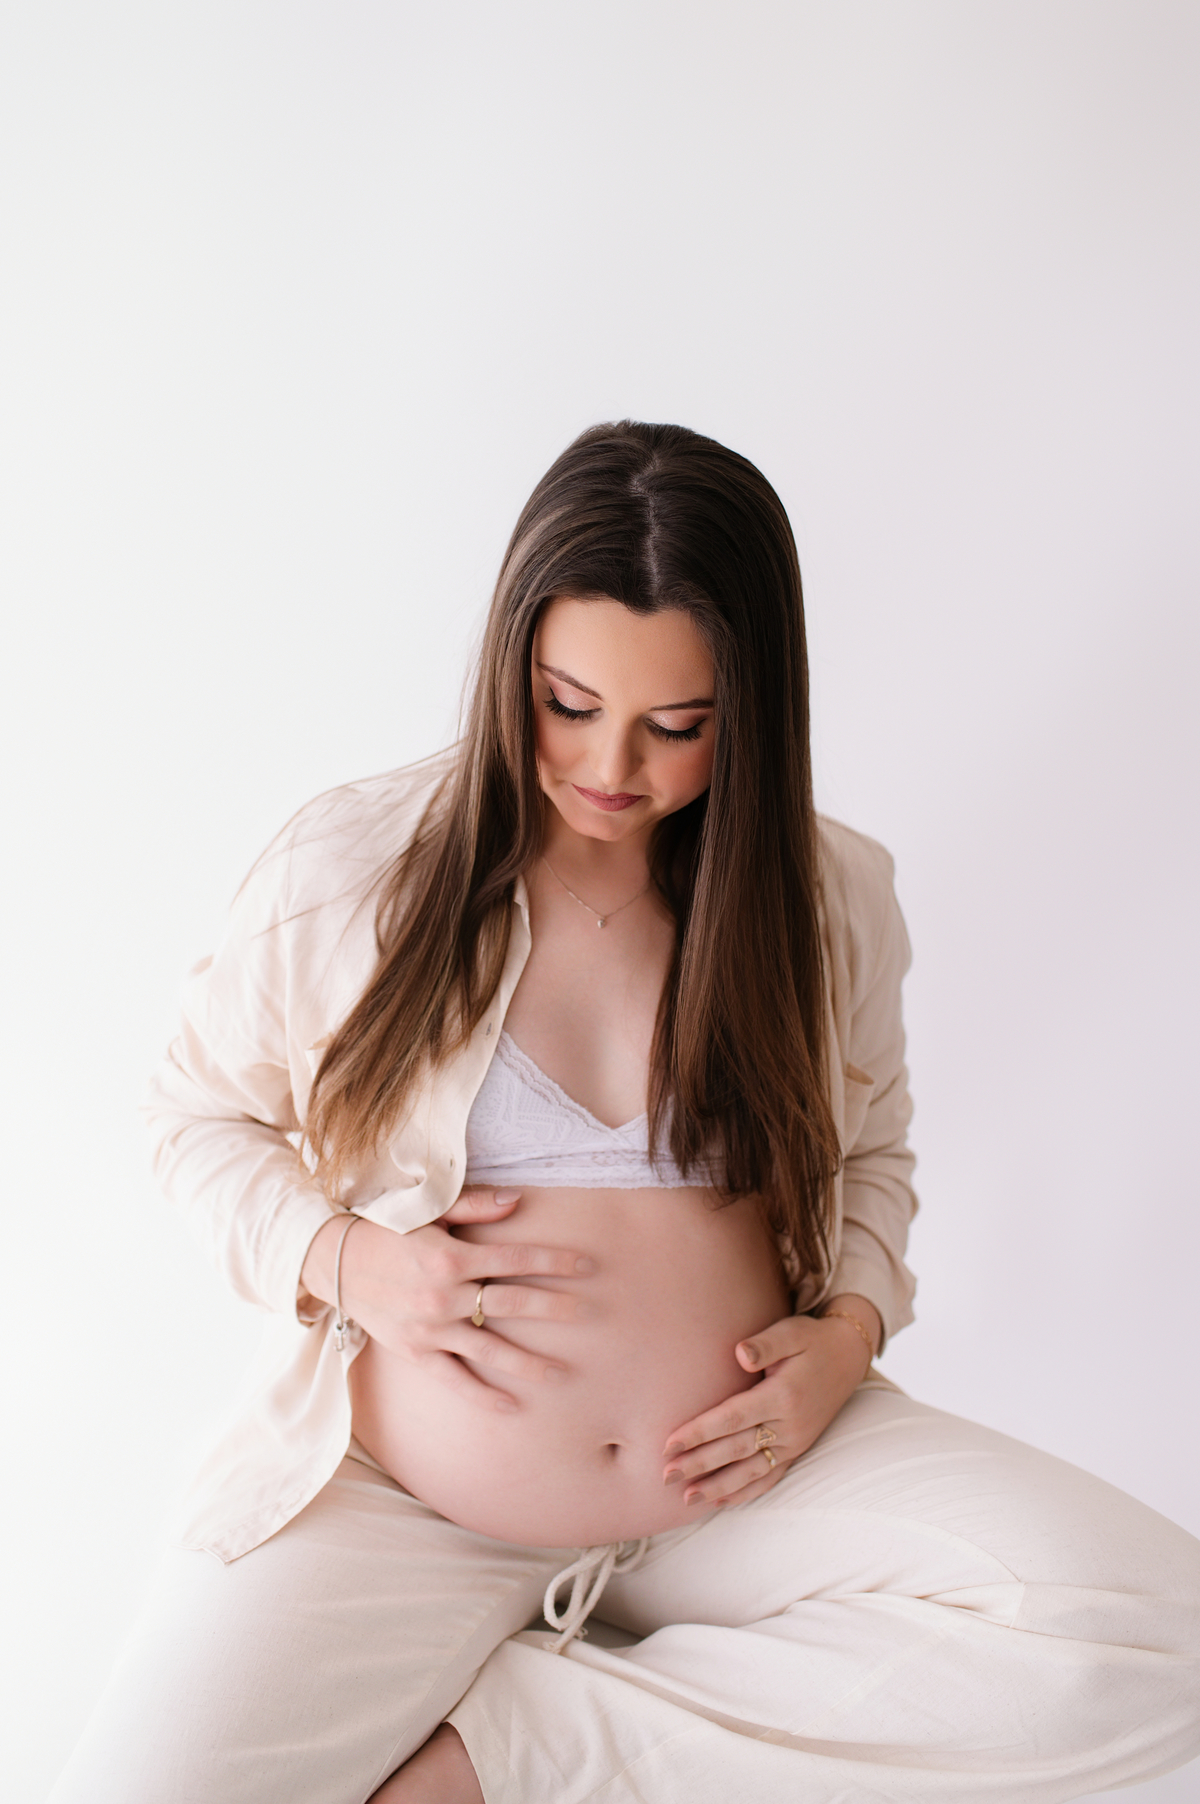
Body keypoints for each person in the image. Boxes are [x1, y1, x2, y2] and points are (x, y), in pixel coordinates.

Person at [51, 422, 1200, 1804]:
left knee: (1151, 1634)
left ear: (752, 709)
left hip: (746, 1491)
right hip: (411, 1507)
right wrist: (354, 1262)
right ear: (510, 664)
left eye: (679, 726)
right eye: (567, 701)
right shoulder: (356, 866)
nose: (613, 765)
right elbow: (191, 1118)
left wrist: (847, 1334)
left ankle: (537, 1748)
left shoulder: (830, 895)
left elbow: (877, 1149)